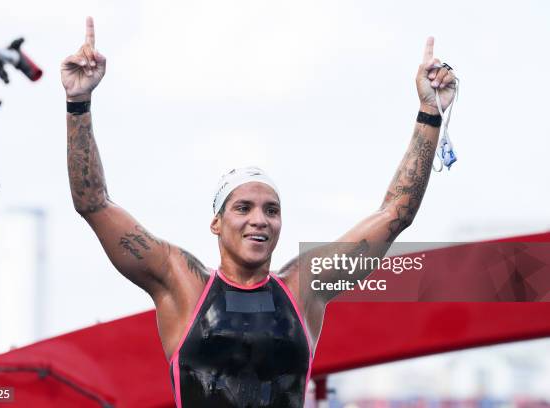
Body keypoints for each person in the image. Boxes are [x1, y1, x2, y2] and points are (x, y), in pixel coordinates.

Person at [61, 16, 457, 408]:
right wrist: (78, 102)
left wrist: (429, 113)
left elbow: (395, 214)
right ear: (216, 222)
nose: (259, 220)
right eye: (243, 208)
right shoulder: (182, 283)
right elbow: (94, 204)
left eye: (272, 210)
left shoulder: (304, 287)